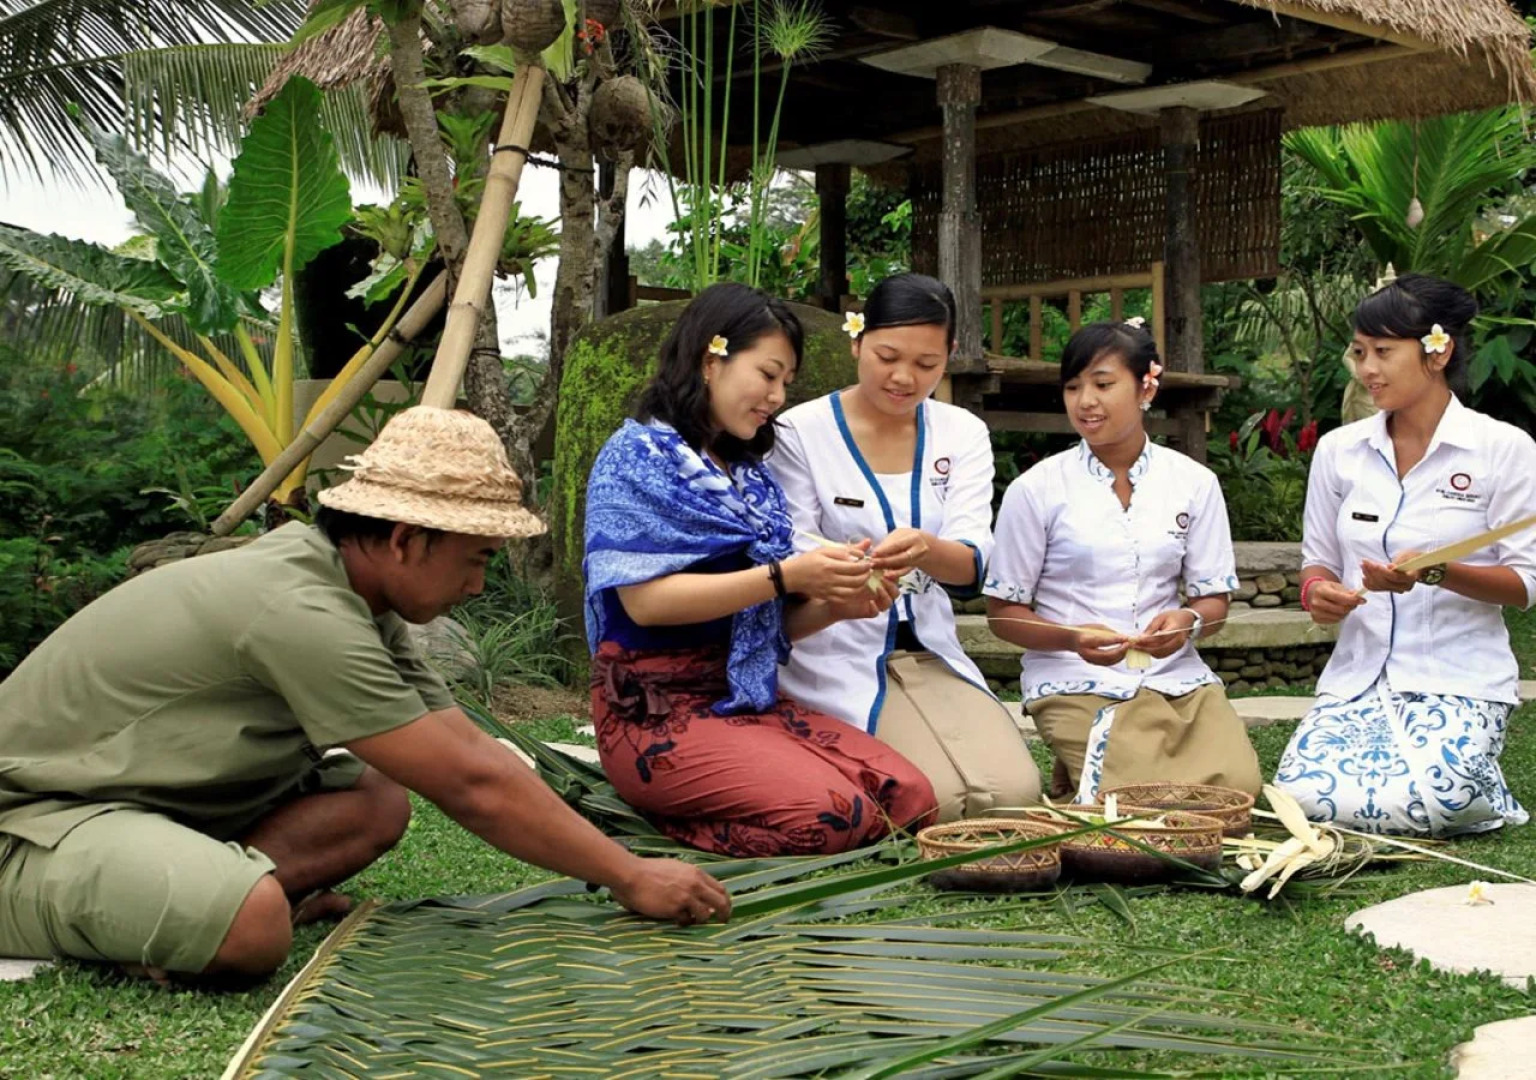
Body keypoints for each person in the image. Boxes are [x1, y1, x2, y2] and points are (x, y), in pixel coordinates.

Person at [0, 406, 732, 983]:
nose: (477, 587)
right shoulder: (299, 610)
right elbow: (471, 787)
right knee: (253, 927)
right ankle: (201, 915)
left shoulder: (353, 593)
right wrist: (629, 875)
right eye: (474, 561)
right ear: (406, 539)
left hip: (134, 806)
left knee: (375, 802)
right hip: (31, 824)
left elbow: (465, 750)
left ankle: (193, 902)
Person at [585, 283, 938, 857]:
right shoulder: (636, 457)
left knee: (911, 799)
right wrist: (788, 577)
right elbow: (645, 604)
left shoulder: (749, 477)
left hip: (745, 700)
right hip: (654, 711)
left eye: (785, 383)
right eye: (767, 374)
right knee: (833, 814)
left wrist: (840, 600)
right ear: (710, 359)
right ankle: (656, 817)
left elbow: (765, 623)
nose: (777, 396)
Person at [770, 273, 1041, 821]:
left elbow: (971, 561)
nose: (903, 377)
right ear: (856, 341)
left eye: (926, 364)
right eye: (888, 356)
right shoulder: (798, 432)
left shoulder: (961, 432)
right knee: (934, 801)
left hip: (929, 646)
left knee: (1013, 793)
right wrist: (853, 572)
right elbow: (791, 551)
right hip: (833, 646)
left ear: (950, 357)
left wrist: (924, 549)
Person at [1275, 274, 1536, 836]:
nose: (1368, 369)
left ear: (1436, 352)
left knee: (1435, 801)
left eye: (1384, 352)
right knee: (1303, 799)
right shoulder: (1339, 452)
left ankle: (1477, 784)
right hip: (1357, 676)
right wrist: (1319, 595)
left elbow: (1524, 584)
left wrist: (1439, 571)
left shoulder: (1504, 450)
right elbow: (1316, 562)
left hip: (1459, 678)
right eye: (1360, 352)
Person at [985, 320, 1261, 801]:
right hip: (1074, 677)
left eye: (1103, 384)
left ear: (1145, 387)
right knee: (1138, 798)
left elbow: (1213, 602)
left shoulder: (1194, 484)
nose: (1085, 401)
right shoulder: (1037, 489)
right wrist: (1074, 638)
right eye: (1073, 387)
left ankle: (1081, 779)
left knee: (1236, 790)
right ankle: (1089, 777)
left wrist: (1187, 621)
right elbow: (1003, 615)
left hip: (1176, 677)